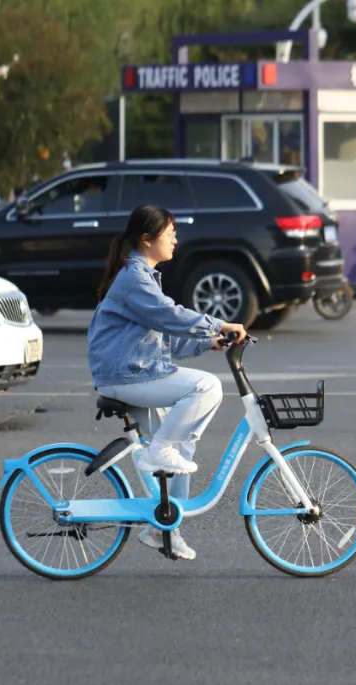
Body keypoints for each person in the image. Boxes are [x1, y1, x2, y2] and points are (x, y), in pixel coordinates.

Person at [87, 205, 247, 560]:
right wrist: (219, 325)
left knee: (180, 450)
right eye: (170, 232)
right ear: (147, 239)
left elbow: (164, 338)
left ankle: (163, 532)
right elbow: (170, 316)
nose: (176, 239)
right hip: (125, 375)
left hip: (136, 370)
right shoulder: (134, 278)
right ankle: (160, 453)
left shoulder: (143, 277)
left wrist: (208, 341)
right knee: (207, 387)